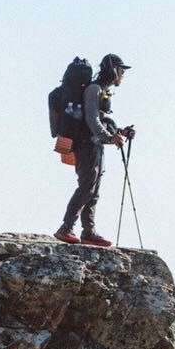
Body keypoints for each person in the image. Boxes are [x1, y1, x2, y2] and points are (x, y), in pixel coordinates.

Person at [56, 53, 134, 246]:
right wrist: (110, 137)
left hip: (95, 144)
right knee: (86, 187)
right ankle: (66, 228)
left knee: (94, 190)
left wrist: (121, 132)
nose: (123, 75)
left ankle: (88, 231)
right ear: (113, 69)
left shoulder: (102, 90)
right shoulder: (94, 89)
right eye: (121, 70)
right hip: (86, 144)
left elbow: (101, 119)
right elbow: (92, 120)